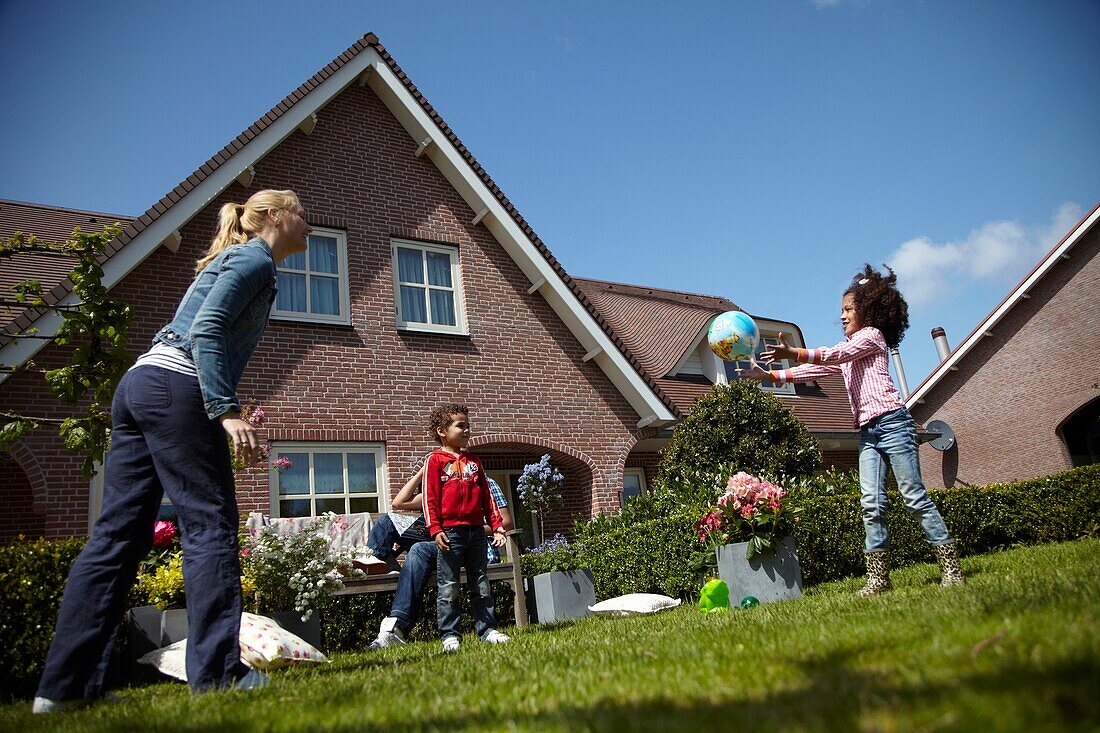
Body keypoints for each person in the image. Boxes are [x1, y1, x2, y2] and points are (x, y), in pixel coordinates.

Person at [33, 190, 311, 713]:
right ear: (275, 216)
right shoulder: (253, 258)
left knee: (116, 535)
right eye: (303, 215)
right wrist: (225, 409)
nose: (309, 227)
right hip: (178, 388)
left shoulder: (240, 258)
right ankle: (219, 676)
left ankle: (63, 690)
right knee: (209, 526)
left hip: (140, 384)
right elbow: (206, 329)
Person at [738, 265, 965, 596]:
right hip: (869, 432)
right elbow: (819, 366)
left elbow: (836, 353)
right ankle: (878, 579)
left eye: (848, 310)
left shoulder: (872, 337)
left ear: (868, 311)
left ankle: (951, 568)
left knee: (913, 497)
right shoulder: (851, 348)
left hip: (893, 423)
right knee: (871, 502)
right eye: (841, 311)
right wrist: (773, 377)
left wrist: (794, 351)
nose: (842, 317)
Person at [368, 461, 513, 650]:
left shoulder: (485, 482)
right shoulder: (441, 485)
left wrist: (469, 531)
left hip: (473, 548)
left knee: (418, 550)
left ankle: (398, 626)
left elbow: (506, 522)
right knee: (389, 522)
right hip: (444, 546)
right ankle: (375, 563)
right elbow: (398, 503)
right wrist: (423, 472)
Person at [424, 403, 510, 651]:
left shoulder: (474, 462)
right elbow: (430, 499)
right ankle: (450, 635)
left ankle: (487, 629)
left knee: (481, 582)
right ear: (442, 431)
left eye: (467, 425)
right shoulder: (435, 461)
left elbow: (487, 497)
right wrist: (436, 529)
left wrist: (497, 526)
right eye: (460, 425)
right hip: (450, 533)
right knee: (448, 585)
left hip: (476, 533)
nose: (466, 430)